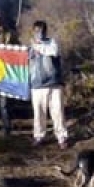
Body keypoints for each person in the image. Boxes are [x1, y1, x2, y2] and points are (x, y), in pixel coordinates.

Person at [29, 20, 68, 149]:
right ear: (33, 31)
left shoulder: (52, 43)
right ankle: (39, 136)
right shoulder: (29, 48)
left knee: (57, 112)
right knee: (39, 113)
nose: (38, 33)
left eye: (41, 30)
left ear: (45, 31)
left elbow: (54, 52)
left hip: (54, 84)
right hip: (37, 85)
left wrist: (38, 46)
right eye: (36, 30)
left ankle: (61, 137)